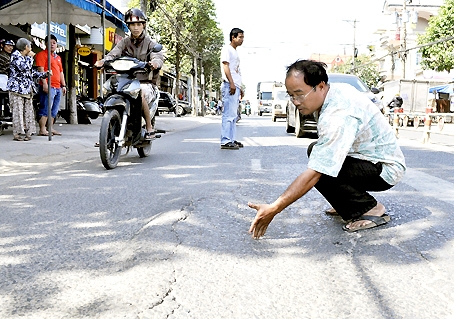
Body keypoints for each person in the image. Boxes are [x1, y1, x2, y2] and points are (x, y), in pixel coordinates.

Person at [248, 60, 406, 238]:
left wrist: (274, 208)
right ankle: (346, 203)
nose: (295, 102)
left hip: (384, 169)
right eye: (291, 95)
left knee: (320, 169)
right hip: (368, 159)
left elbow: (316, 172)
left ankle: (371, 208)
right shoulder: (335, 91)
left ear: (321, 86)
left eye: (299, 94)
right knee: (316, 151)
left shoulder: (338, 114)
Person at [94, 8, 164, 140]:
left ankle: (149, 127)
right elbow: (114, 54)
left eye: (139, 24)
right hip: (126, 80)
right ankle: (107, 133)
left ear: (143, 25)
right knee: (109, 89)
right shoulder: (124, 42)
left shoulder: (150, 43)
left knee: (140, 92)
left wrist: (155, 62)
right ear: (129, 26)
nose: (136, 27)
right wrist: (103, 61)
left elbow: (158, 57)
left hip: (145, 83)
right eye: (132, 24)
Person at [7, 38, 49, 141]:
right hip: (17, 89)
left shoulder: (25, 57)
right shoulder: (15, 56)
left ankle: (28, 132)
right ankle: (17, 134)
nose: (31, 48)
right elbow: (23, 68)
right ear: (26, 47)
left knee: (29, 111)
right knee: (18, 111)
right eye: (30, 46)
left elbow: (31, 73)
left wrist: (45, 74)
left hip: (27, 89)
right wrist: (30, 58)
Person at [35, 34, 66, 136]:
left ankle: (50, 128)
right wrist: (44, 84)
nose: (52, 45)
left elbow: (61, 72)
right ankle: (42, 129)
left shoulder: (58, 57)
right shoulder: (42, 55)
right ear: (46, 43)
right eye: (50, 43)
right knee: (45, 107)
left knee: (54, 109)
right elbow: (41, 70)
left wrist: (64, 85)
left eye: (54, 43)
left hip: (57, 87)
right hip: (49, 85)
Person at [220, 28, 244, 150]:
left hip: (235, 85)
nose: (242, 39)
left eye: (243, 37)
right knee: (228, 114)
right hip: (229, 85)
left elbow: (237, 70)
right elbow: (226, 66)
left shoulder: (234, 51)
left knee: (234, 115)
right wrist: (231, 83)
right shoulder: (227, 49)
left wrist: (240, 87)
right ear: (233, 37)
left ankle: (231, 139)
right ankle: (225, 140)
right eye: (240, 37)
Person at [0, 39, 15, 117]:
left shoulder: (8, 56)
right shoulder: (4, 56)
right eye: (8, 45)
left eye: (11, 46)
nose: (10, 48)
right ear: (2, 45)